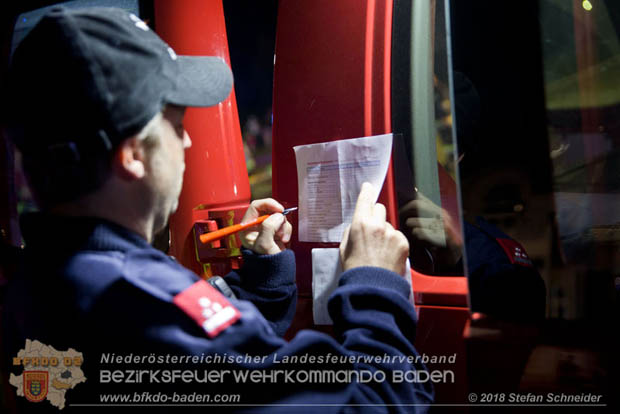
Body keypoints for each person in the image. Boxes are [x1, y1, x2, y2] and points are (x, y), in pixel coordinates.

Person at [1, 7, 433, 412]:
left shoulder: (40, 278)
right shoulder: (140, 304)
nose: (187, 142)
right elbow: (376, 403)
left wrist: (262, 277)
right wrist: (374, 288)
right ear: (133, 155)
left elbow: (212, 370)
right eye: (176, 124)